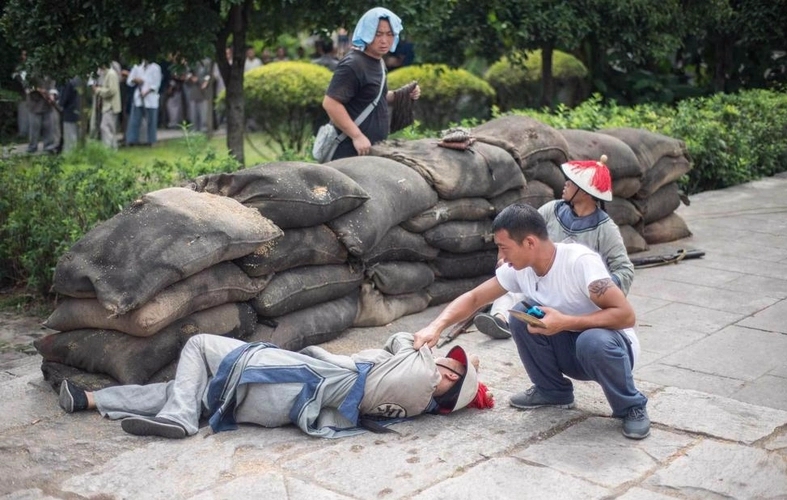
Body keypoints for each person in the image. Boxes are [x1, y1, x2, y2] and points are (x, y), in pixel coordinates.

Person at [413, 203, 650, 439]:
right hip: (570, 348)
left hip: (611, 350)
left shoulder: (580, 262)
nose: (501, 258)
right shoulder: (519, 268)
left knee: (591, 340)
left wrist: (565, 322)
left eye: (504, 248)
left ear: (529, 242)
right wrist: (436, 327)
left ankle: (631, 406)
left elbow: (625, 315)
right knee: (521, 314)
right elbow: (474, 298)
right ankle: (552, 391)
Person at [58, 332, 493, 439]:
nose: (442, 353)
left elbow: (407, 340)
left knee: (200, 345)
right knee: (201, 384)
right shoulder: (413, 395)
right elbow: (400, 344)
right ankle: (92, 399)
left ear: (448, 378)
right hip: (288, 405)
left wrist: (464, 358)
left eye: (449, 362)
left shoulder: (417, 376)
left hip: (293, 383)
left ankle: (180, 420)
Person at [475, 156, 634, 339]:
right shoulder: (551, 209)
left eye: (572, 182)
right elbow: (519, 232)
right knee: (514, 278)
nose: (565, 184)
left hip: (576, 294)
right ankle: (500, 319)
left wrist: (597, 286)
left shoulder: (606, 229)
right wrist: (505, 259)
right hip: (543, 279)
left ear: (586, 192)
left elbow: (625, 269)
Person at [321, 7, 421, 161]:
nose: (384, 40)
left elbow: (372, 96)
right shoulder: (353, 64)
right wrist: (357, 136)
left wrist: (401, 95)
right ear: (366, 33)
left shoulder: (378, 62)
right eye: (378, 34)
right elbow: (331, 103)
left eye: (389, 34)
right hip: (347, 153)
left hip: (369, 153)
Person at [125, 59, 162, 146]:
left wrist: (147, 91)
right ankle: (132, 140)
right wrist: (135, 80)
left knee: (151, 121)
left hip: (151, 98)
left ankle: (151, 141)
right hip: (138, 97)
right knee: (135, 120)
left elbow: (156, 84)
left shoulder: (156, 68)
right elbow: (129, 81)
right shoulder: (136, 67)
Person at [93, 62, 122, 150]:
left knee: (105, 127)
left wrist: (98, 90)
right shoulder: (106, 74)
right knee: (111, 128)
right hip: (107, 105)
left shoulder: (111, 74)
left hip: (111, 106)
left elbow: (112, 90)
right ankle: (113, 149)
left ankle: (107, 148)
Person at [58, 76, 81, 153]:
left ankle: (70, 155)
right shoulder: (79, 79)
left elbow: (64, 99)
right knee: (77, 136)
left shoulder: (68, 82)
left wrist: (60, 103)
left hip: (69, 112)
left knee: (70, 137)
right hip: (79, 111)